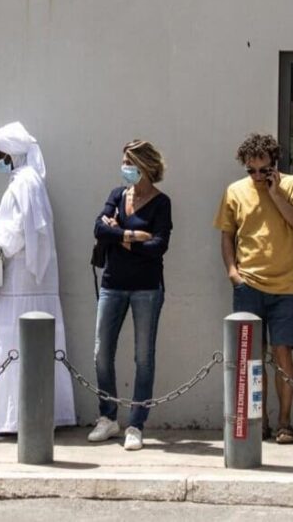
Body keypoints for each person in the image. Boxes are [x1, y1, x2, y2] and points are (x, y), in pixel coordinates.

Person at [0, 121, 76, 434]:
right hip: (29, 282)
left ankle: (12, 418)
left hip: (17, 281)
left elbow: (13, 238)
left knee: (10, 343)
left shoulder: (22, 184)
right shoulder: (31, 181)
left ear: (9, 153)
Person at [215, 133, 293, 445]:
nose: (256, 176)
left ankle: (285, 422)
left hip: (285, 285)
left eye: (262, 170)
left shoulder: (292, 185)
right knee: (251, 357)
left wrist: (276, 193)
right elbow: (227, 234)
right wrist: (233, 272)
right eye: (250, 171)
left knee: (282, 354)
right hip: (248, 285)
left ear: (273, 165)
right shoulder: (234, 191)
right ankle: (260, 421)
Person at [89, 140, 173, 451]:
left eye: (130, 162)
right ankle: (107, 417)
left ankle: (136, 423)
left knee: (143, 357)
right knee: (101, 352)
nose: (125, 168)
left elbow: (158, 247)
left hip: (146, 288)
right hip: (112, 283)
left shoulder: (161, 203)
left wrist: (119, 237)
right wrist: (131, 235)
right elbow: (99, 228)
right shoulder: (117, 195)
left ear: (145, 165)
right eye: (123, 161)